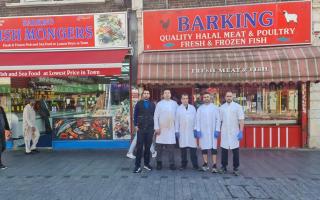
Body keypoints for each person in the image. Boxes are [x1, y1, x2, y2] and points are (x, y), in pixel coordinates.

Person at [218, 91, 245, 176]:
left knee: (235, 151)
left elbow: (241, 120)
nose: (229, 98)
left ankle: (236, 168)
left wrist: (241, 131)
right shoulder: (221, 108)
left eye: (230, 96)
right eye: (227, 96)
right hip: (225, 132)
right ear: (225, 97)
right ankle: (223, 167)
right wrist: (218, 130)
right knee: (224, 150)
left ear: (232, 97)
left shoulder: (238, 107)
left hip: (234, 132)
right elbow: (219, 120)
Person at [196, 92, 220, 173]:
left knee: (214, 149)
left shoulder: (215, 108)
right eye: (205, 97)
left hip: (213, 131)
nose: (206, 98)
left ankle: (214, 165)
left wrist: (217, 130)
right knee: (204, 148)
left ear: (210, 98)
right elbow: (197, 120)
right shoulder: (200, 109)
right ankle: (205, 164)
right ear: (203, 98)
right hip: (203, 132)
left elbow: (218, 120)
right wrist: (198, 130)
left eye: (208, 97)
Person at [154, 89, 178, 170]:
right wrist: (156, 127)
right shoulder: (159, 104)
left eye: (168, 93)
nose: (167, 94)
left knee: (171, 149)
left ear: (170, 94)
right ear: (163, 95)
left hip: (171, 129)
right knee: (159, 149)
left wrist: (177, 129)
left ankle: (172, 164)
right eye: (165, 93)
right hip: (161, 129)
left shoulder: (175, 104)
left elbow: (177, 117)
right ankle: (159, 163)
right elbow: (155, 117)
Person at [133, 90, 156, 173]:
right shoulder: (138, 104)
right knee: (139, 148)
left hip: (150, 128)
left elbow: (155, 116)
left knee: (147, 147)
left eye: (147, 93)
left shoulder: (152, 104)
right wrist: (135, 125)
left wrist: (155, 127)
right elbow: (135, 115)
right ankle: (137, 166)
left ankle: (146, 164)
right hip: (141, 128)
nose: (146, 95)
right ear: (142, 95)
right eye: (145, 93)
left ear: (149, 95)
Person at [175, 94, 198, 170]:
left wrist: (195, 129)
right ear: (181, 100)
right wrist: (177, 131)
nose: (185, 100)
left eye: (186, 98)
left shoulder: (193, 108)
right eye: (183, 98)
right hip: (182, 131)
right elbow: (177, 121)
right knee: (183, 150)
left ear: (188, 99)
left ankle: (195, 165)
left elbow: (196, 120)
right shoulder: (178, 109)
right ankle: (183, 164)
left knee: (193, 149)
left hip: (191, 131)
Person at [0, 104, 11, 169]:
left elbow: (5, 119)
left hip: (2, 131)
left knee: (3, 146)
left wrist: (8, 129)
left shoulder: (1, 108)